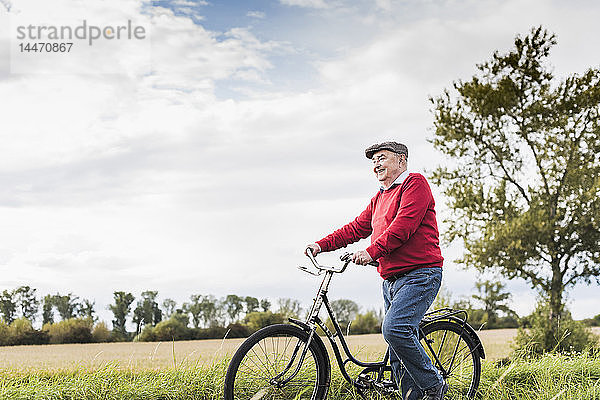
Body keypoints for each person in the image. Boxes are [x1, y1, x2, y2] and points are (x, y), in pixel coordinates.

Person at [305, 141, 447, 400]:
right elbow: (355, 228)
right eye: (373, 161)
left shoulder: (415, 184)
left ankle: (433, 384)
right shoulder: (380, 197)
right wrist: (320, 245)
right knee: (396, 351)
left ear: (401, 161)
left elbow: (402, 228)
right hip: (391, 279)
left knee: (395, 329)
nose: (376, 164)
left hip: (420, 274)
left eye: (382, 158)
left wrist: (370, 252)